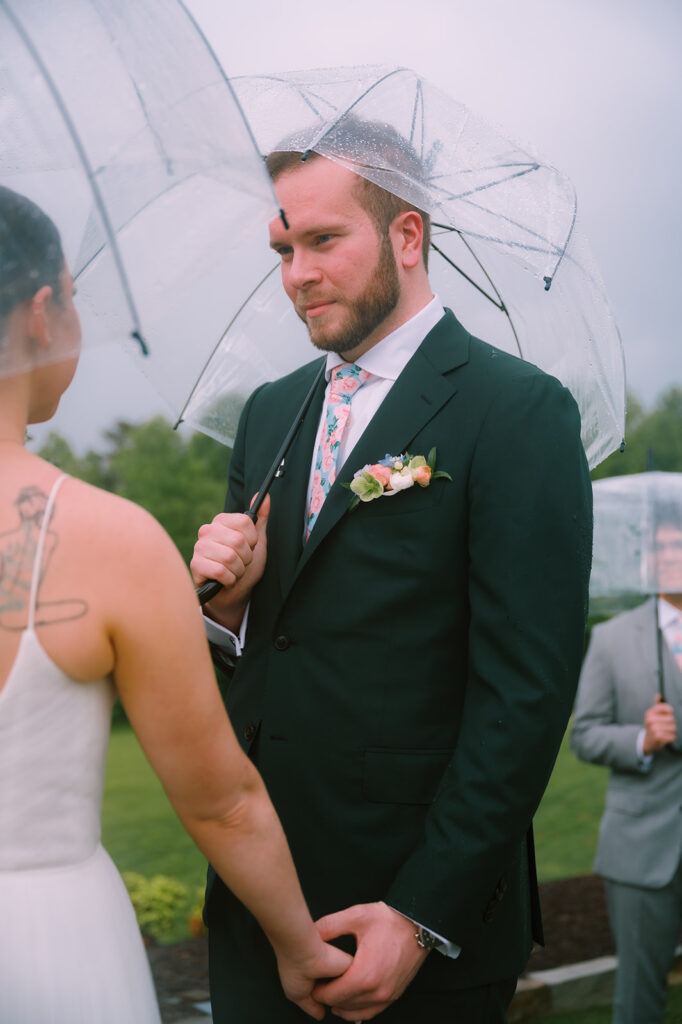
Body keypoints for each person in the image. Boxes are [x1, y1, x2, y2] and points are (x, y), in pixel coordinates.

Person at [191, 123, 593, 1024]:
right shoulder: (269, 412)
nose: (296, 273)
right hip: (262, 905)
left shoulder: (517, 410)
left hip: (410, 922)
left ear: (407, 237)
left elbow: (524, 696)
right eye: (284, 247)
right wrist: (224, 607)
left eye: (324, 240)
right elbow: (268, 655)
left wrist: (420, 916)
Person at [0, 186, 350, 1023]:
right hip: (47, 942)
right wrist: (302, 950)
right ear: (42, 313)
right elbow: (220, 800)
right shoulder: (109, 540)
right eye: (76, 300)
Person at [571, 510, 682, 1024]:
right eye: (663, 550)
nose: (673, 559)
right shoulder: (613, 639)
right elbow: (586, 733)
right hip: (642, 853)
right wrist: (641, 737)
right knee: (638, 999)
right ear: (647, 561)